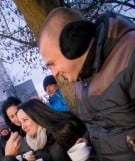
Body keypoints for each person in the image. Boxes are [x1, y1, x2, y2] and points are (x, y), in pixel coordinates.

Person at [39, 7, 135, 161]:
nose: (54, 73)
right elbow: (103, 128)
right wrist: (88, 141)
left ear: (72, 41)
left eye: (52, 63)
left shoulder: (130, 54)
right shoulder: (81, 83)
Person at [16, 99, 87, 161]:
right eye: (21, 123)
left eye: (25, 120)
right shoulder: (33, 143)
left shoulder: (64, 129)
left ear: (38, 115)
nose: (23, 127)